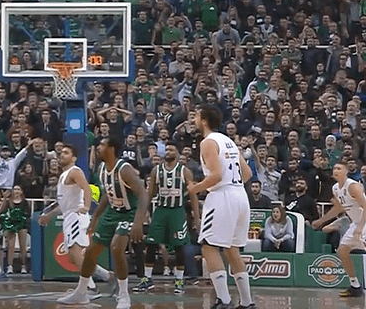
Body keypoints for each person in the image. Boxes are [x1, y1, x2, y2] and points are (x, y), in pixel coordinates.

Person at [58, 137, 148, 309]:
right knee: (91, 251)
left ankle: (124, 295)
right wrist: (96, 217)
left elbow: (143, 194)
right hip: (111, 212)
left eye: (102, 145)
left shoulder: (124, 169)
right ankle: (81, 292)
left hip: (129, 212)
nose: (98, 148)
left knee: (116, 247)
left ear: (111, 149)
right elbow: (108, 194)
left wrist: (138, 222)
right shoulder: (102, 169)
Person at [187, 105, 254, 309]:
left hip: (222, 196)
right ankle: (247, 302)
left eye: (196, 116)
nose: (193, 119)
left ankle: (223, 300)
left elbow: (216, 175)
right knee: (232, 251)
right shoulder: (228, 141)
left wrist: (195, 188)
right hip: (240, 195)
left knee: (208, 247)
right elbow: (247, 174)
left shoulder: (208, 142)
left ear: (204, 120)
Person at [38, 144, 113, 294]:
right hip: (68, 216)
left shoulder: (75, 171)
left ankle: (90, 287)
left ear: (74, 158)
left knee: (76, 253)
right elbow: (63, 203)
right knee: (72, 258)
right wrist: (49, 215)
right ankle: (108, 276)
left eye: (66, 153)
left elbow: (86, 188)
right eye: (61, 152)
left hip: (76, 216)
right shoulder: (63, 175)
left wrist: (86, 206)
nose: (62, 155)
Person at [133, 141, 200, 295]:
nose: (168, 152)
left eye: (171, 149)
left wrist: (196, 218)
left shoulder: (184, 171)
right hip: (160, 211)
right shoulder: (156, 170)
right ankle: (147, 279)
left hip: (177, 211)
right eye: (167, 150)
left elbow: (193, 196)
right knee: (151, 244)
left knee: (179, 246)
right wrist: (143, 214)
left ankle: (179, 280)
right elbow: (150, 194)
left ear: (177, 153)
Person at [312, 162, 366, 297]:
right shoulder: (335, 188)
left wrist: (360, 227)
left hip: (363, 222)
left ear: (346, 171)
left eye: (339, 168)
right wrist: (321, 221)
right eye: (334, 168)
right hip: (356, 222)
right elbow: (338, 208)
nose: (336, 170)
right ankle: (355, 286)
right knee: (342, 251)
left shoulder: (353, 186)